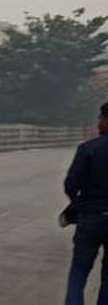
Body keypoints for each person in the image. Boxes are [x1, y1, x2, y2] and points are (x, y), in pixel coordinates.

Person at [63, 102, 108, 305]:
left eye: (101, 118)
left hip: (91, 216)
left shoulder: (88, 149)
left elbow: (71, 184)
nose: (98, 122)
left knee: (79, 270)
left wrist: (78, 204)